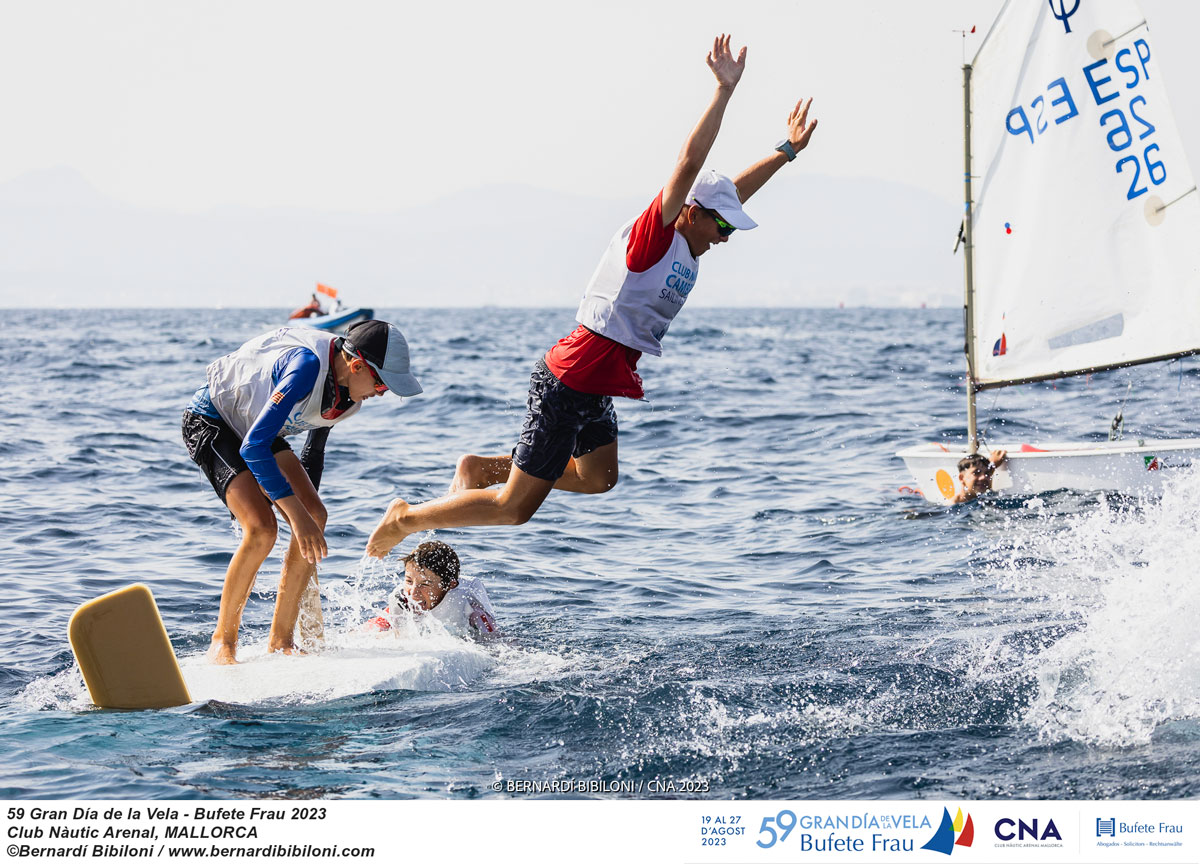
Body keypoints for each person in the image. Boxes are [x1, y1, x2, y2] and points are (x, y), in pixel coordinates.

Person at [365, 34, 818, 558]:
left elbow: (728, 192)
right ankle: (406, 518)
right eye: (721, 226)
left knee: (599, 477)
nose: (724, 237)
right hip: (572, 374)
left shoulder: (693, 239)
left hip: (597, 380)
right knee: (513, 508)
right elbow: (690, 165)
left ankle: (479, 470)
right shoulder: (657, 237)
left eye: (730, 230)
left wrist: (786, 152)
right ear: (690, 211)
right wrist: (723, 92)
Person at [183, 319, 422, 664]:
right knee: (263, 529)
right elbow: (253, 449)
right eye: (382, 385)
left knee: (316, 515)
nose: (381, 394)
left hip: (256, 428)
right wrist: (295, 516)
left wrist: (307, 519)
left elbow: (313, 454)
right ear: (357, 365)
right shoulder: (305, 369)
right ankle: (223, 642)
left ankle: (281, 639)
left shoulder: (347, 398)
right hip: (212, 420)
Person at [365, 541, 498, 641]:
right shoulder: (401, 597)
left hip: (468, 614)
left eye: (425, 584)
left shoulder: (467, 600)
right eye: (409, 581)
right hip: (401, 610)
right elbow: (402, 637)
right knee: (375, 629)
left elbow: (494, 639)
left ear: (449, 585)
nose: (413, 592)